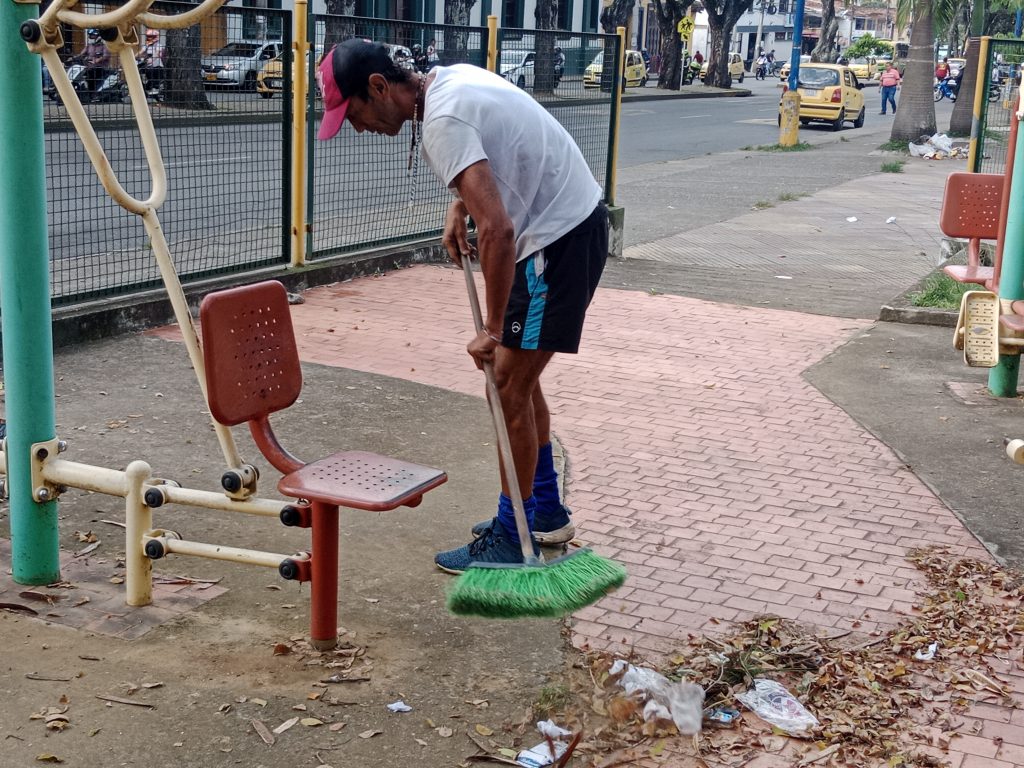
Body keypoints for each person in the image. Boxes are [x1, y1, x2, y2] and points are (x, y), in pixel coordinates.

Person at [316, 39, 607, 571]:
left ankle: (509, 537)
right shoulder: (447, 82)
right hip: (570, 226)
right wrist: (461, 202)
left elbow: (497, 229)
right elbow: (500, 149)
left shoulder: (441, 117)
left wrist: (494, 329)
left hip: (557, 242)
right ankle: (541, 511)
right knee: (523, 380)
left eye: (353, 112)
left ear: (379, 87)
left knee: (506, 383)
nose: (356, 128)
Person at [81, 28, 111, 95]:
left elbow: (106, 56)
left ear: (98, 36)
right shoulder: (89, 46)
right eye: (89, 35)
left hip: (100, 67)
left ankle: (93, 94)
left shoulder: (104, 46)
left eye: (92, 36)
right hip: (89, 67)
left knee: (92, 76)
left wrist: (97, 60)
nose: (90, 37)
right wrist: (73, 58)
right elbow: (81, 54)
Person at [137, 28, 165, 95]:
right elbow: (140, 52)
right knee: (141, 70)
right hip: (148, 65)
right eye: (148, 36)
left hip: (157, 66)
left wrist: (152, 59)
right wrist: (133, 57)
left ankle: (155, 88)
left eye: (151, 37)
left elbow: (157, 54)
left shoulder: (158, 45)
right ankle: (144, 87)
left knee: (150, 72)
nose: (149, 38)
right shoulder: (147, 45)